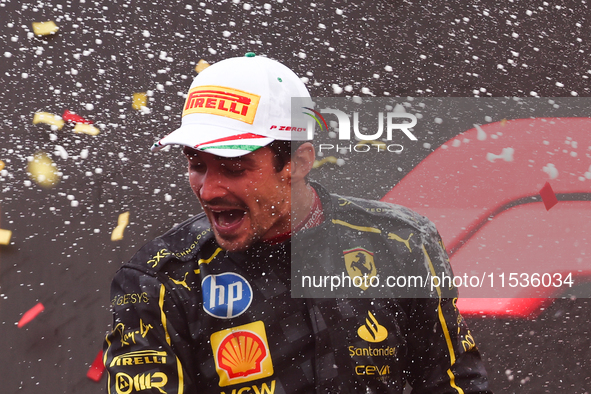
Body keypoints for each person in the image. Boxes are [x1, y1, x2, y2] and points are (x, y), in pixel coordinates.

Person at [103, 53, 491, 394]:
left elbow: (455, 384)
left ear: (299, 162)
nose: (209, 190)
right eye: (196, 165)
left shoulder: (403, 242)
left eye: (234, 168)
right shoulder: (157, 280)